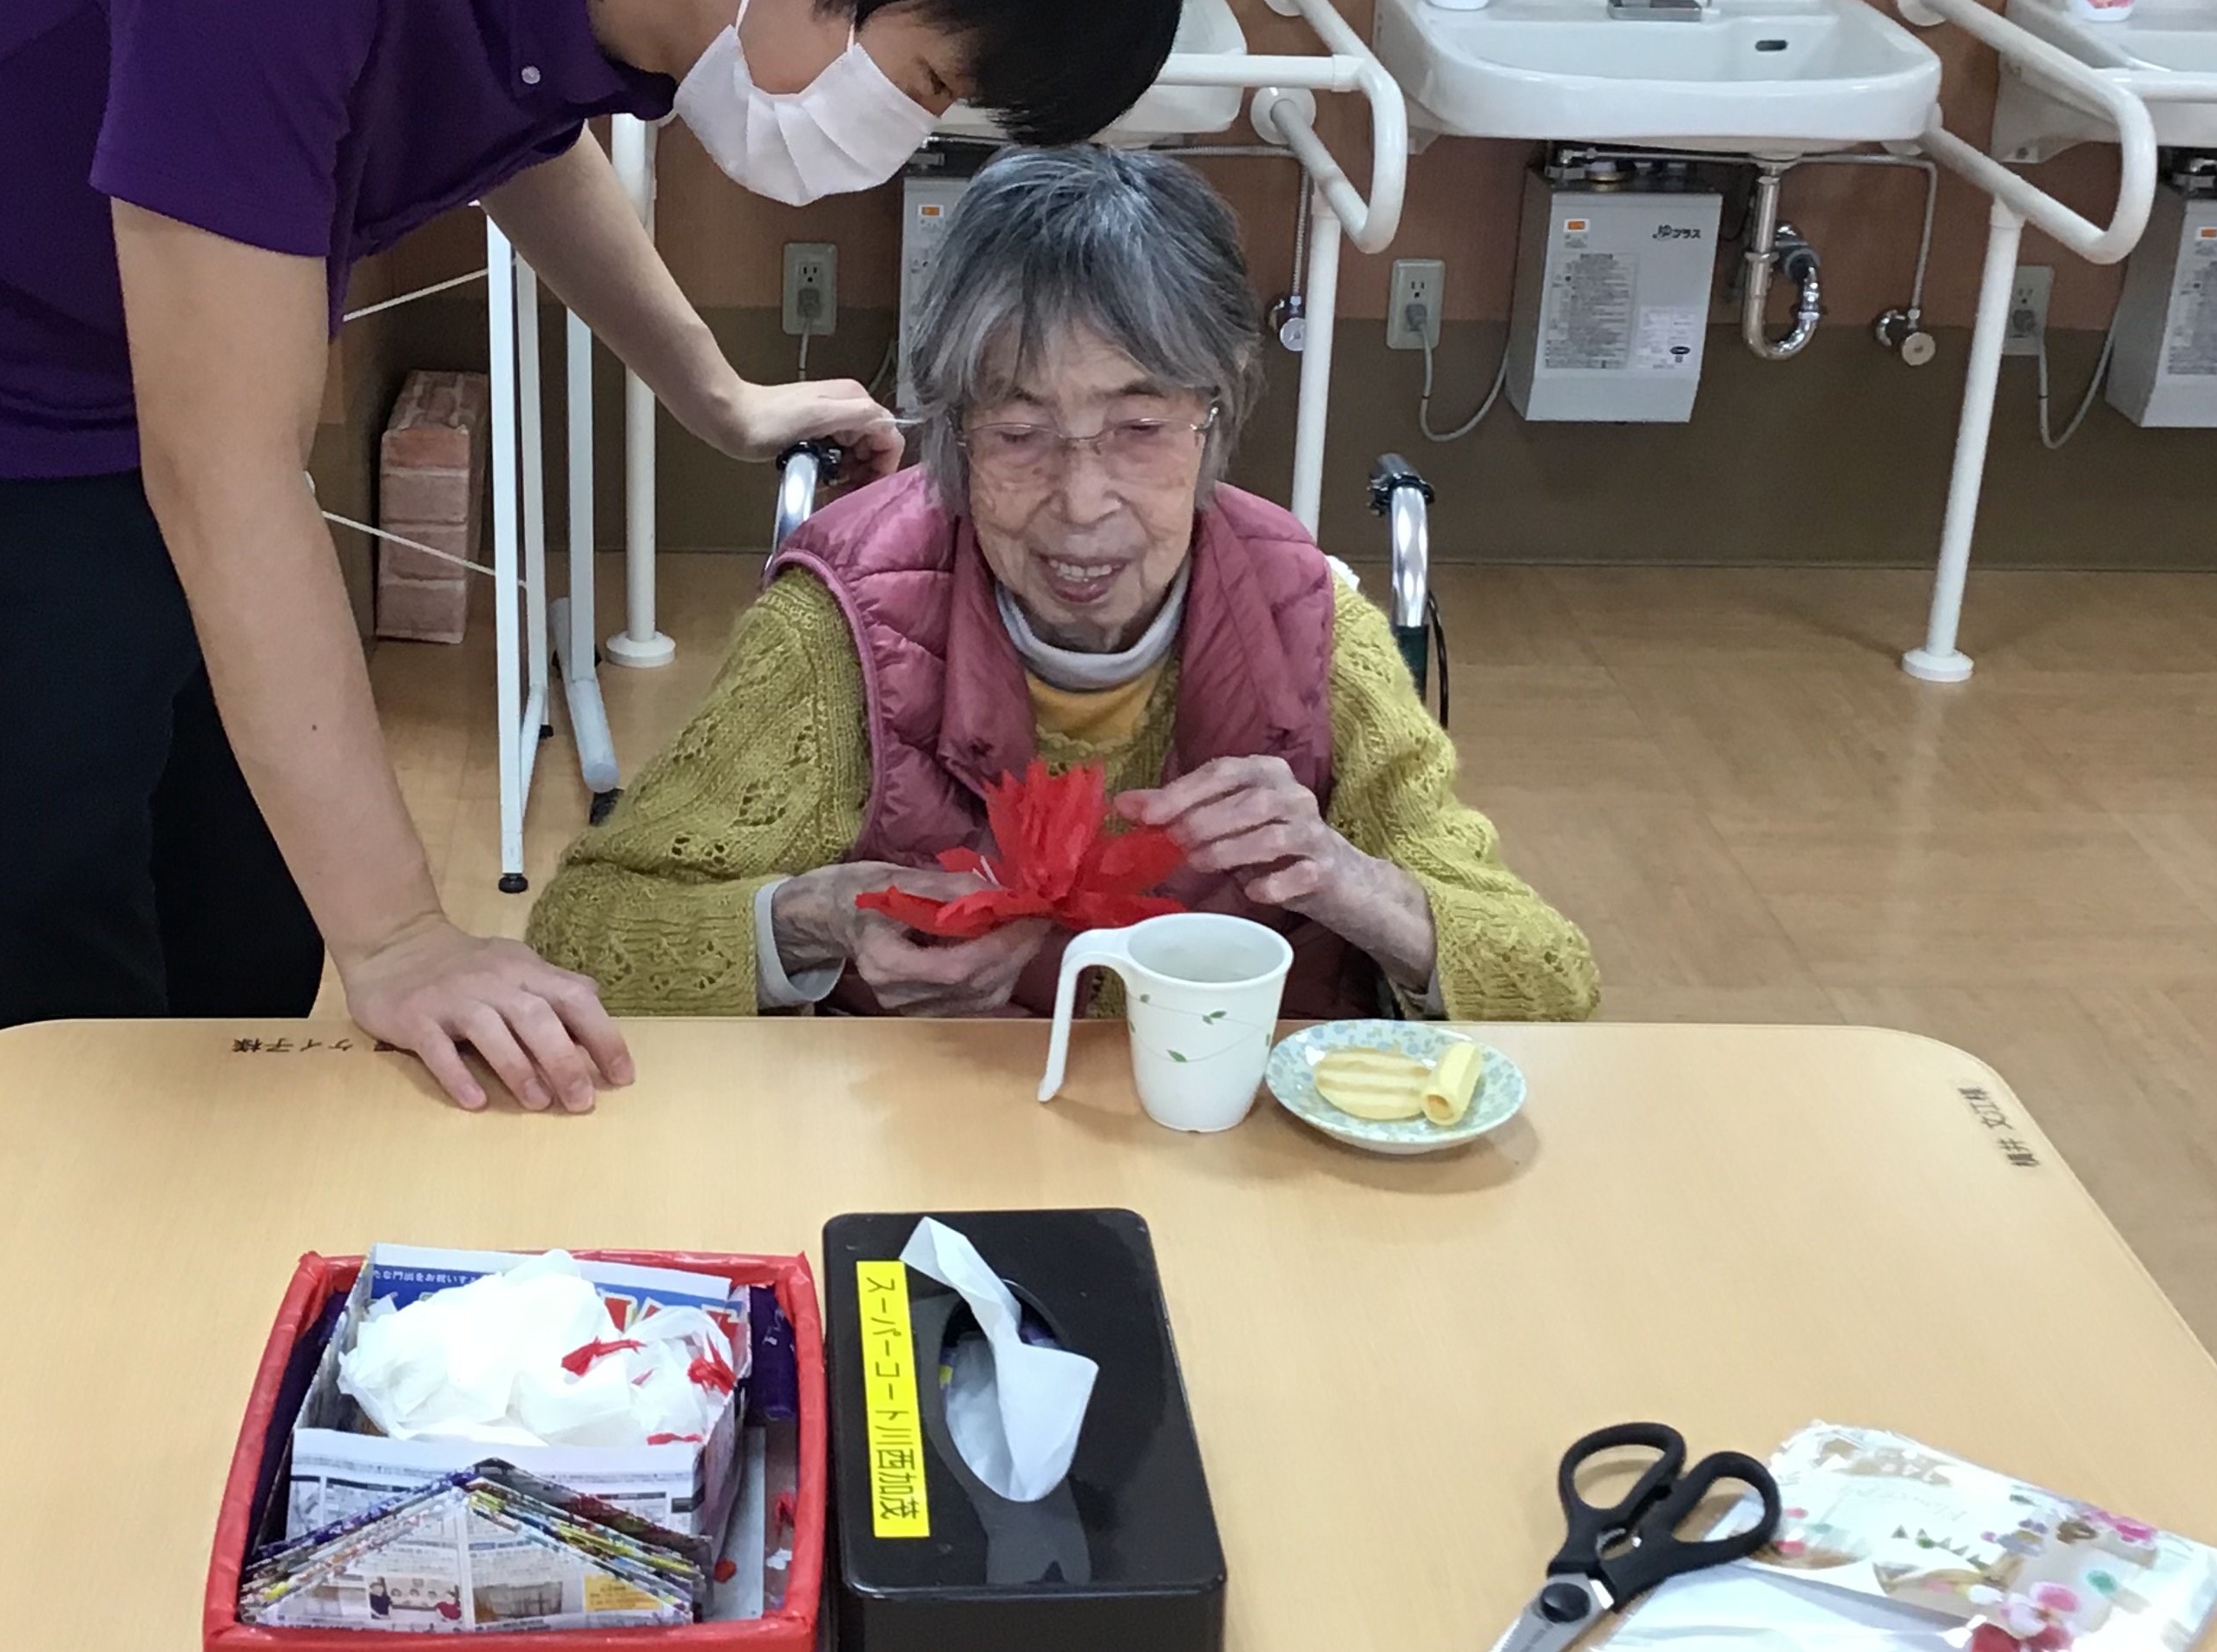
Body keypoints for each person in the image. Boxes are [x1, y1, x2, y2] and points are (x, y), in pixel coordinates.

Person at [0, 0, 1188, 1128]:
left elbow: (513, 130)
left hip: (130, 379)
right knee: (34, 1014)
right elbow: (224, 473)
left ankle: (207, 1257)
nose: (901, 131)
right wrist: (403, 933)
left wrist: (709, 387)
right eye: (922, 78)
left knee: (241, 924)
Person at [527, 150, 1599, 1026]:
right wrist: (808, 922)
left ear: (1215, 417)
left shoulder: (1310, 624)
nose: (1082, 504)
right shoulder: (840, 630)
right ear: (951, 433)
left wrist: (1343, 878)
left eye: (1140, 427)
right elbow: (582, 932)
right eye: (1018, 431)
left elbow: (1551, 978)